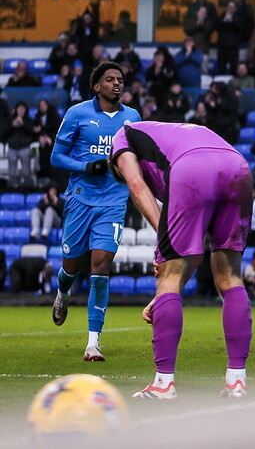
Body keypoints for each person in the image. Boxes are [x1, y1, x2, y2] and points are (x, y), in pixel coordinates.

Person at [109, 121, 254, 399]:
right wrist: (162, 296)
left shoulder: (121, 138)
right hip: (237, 166)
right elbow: (195, 252)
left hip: (192, 168)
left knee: (168, 276)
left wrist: (161, 236)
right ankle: (237, 381)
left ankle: (163, 384)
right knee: (230, 276)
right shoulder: (169, 132)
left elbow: (137, 186)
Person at [50, 61, 142, 362]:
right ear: (96, 86)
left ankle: (93, 343)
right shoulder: (77, 113)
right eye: (110, 79)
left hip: (114, 201)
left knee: (100, 267)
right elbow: (57, 157)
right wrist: (86, 166)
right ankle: (63, 291)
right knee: (71, 267)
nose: (117, 84)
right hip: (80, 199)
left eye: (120, 79)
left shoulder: (133, 118)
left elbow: (139, 158)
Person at [5, 101, 37, 188]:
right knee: (11, 172)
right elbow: (3, 133)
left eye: (23, 109)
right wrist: (12, 125)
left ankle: (26, 187)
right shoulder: (10, 120)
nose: (21, 110)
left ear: (26, 110)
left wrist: (23, 124)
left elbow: (33, 133)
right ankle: (12, 187)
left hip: (25, 147)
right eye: (19, 108)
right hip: (12, 147)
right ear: (16, 110)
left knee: (26, 171)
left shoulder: (30, 120)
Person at [33, 98, 62, 184]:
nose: (42, 107)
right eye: (40, 105)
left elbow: (58, 130)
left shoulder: (54, 116)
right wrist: (40, 136)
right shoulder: (37, 117)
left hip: (54, 140)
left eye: (43, 105)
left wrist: (49, 138)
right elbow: (34, 131)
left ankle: (52, 177)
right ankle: (43, 176)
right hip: (40, 142)